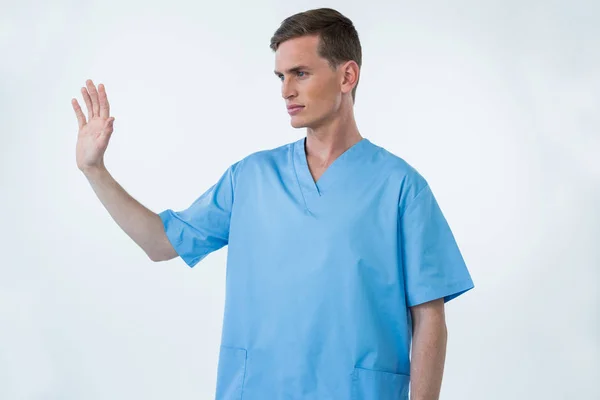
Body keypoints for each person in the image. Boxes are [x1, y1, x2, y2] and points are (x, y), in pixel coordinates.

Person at [72, 7, 474, 400]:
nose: (286, 90)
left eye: (301, 73)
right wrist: (95, 171)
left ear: (347, 75)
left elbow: (429, 317)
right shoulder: (250, 178)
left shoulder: (400, 187)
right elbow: (161, 243)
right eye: (281, 76)